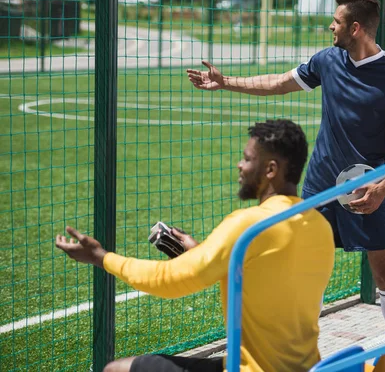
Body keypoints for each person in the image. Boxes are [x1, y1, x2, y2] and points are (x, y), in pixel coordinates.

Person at [187, 0, 385, 336]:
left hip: (367, 188)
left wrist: (383, 185)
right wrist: (226, 82)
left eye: (336, 22)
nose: (330, 26)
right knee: (306, 270)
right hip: (319, 187)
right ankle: (295, 352)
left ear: (355, 28)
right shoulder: (327, 60)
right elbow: (280, 82)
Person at [55, 119, 335, 372]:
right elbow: (269, 274)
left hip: (253, 369)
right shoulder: (320, 226)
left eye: (247, 159)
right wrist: (203, 251)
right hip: (307, 367)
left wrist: (101, 257)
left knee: (116, 369)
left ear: (271, 169)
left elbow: (171, 280)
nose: (240, 165)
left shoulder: (250, 225)